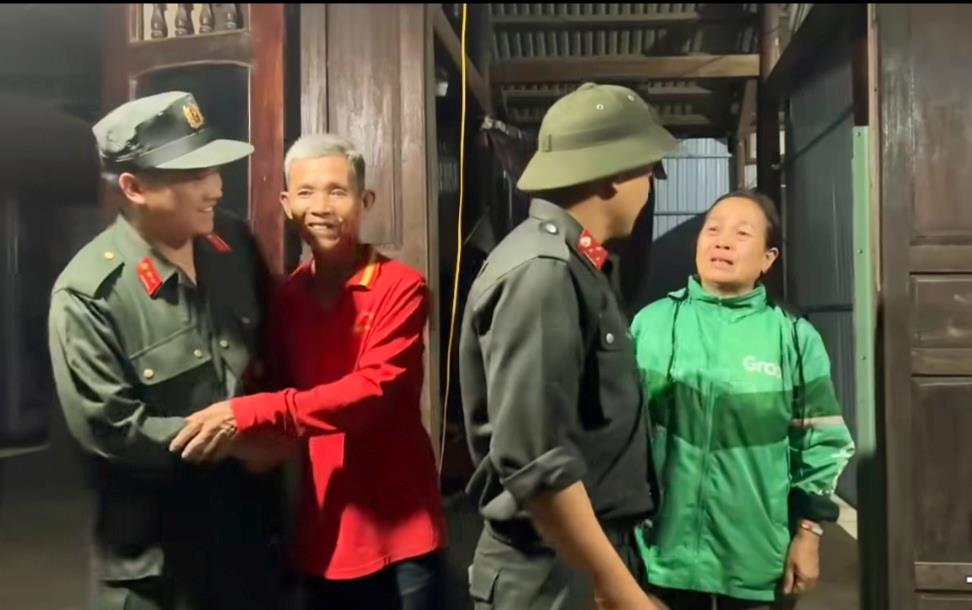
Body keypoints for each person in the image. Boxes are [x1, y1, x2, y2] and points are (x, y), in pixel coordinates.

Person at [169, 133, 448, 610]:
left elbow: (371, 392)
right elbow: (271, 384)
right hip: (319, 533)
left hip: (401, 533)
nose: (321, 207)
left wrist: (249, 412)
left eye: (337, 191)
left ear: (365, 201)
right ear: (286, 204)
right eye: (305, 192)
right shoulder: (286, 298)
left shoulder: (401, 287)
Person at [48, 91, 288, 610]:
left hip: (247, 545)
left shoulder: (230, 243)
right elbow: (110, 428)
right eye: (191, 175)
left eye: (214, 169)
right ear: (133, 188)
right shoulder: (89, 293)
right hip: (155, 567)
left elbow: (272, 347)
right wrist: (236, 439)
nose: (215, 188)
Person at [458, 82, 678, 610]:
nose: (649, 189)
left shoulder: (578, 265)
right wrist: (621, 593)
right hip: (552, 576)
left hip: (578, 560)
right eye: (647, 170)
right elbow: (538, 464)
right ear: (612, 175)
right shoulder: (544, 273)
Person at [630, 190, 856, 609]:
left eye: (742, 233)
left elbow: (821, 444)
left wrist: (808, 534)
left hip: (755, 566)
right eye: (713, 229)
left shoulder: (794, 337)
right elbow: (616, 439)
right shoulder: (650, 325)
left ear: (767, 259)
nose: (722, 241)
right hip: (658, 561)